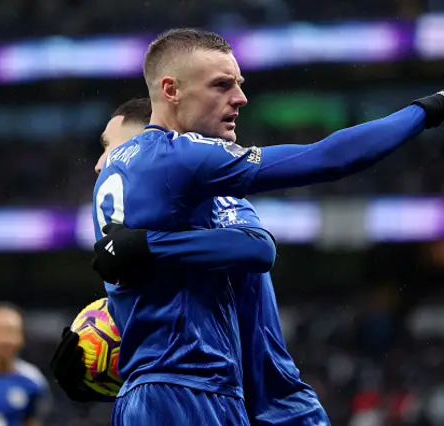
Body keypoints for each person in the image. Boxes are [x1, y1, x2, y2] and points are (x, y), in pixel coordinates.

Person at [93, 28, 444, 426]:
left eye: (239, 84)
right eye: (221, 85)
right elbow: (324, 159)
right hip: (190, 391)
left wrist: (152, 248)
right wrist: (426, 110)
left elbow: (147, 269)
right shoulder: (180, 157)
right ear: (171, 90)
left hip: (144, 393)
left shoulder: (112, 169)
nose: (240, 98)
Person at [52, 98, 329, 425]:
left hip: (269, 407)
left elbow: (257, 249)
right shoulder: (135, 228)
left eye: (110, 145)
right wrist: (91, 365)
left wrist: (150, 245)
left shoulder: (219, 202)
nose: (100, 164)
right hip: (215, 401)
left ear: (146, 143)